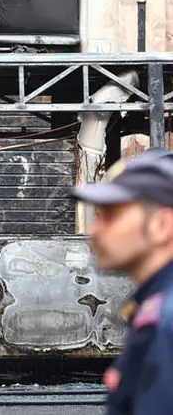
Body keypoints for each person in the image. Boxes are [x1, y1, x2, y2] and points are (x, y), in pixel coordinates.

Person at [70, 147, 173, 414]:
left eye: (111, 215)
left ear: (162, 225)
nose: (94, 230)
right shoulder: (154, 303)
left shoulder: (165, 320)